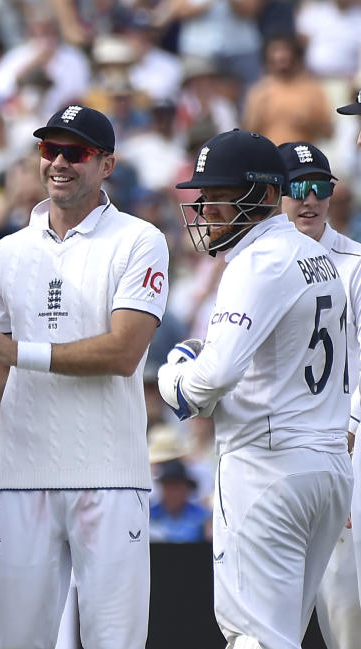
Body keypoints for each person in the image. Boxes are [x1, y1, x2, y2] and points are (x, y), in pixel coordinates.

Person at [0, 105, 170, 649]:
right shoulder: (8, 252)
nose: (59, 163)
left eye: (76, 153)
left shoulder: (140, 240)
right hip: (24, 475)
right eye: (50, 150)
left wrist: (12, 349)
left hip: (110, 473)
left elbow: (123, 353)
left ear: (107, 165)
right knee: (9, 641)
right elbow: (0, 374)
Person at [156, 128, 352, 649]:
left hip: (268, 468)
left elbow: (212, 380)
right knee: (284, 633)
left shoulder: (257, 261)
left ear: (266, 195)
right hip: (326, 468)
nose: (207, 208)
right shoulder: (318, 256)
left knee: (256, 637)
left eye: (221, 194)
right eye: (205, 195)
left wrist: (173, 374)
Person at [278, 138, 361, 647]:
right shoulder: (253, 264)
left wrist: (349, 424)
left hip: (339, 450)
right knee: (266, 617)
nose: (309, 199)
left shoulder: (354, 263)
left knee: (343, 610)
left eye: (320, 188)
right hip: (273, 455)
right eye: (296, 188)